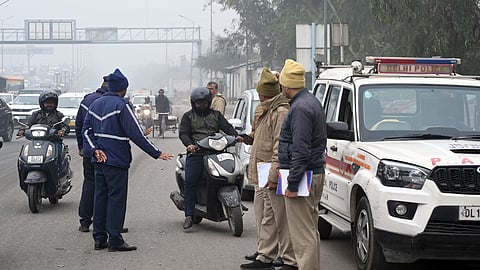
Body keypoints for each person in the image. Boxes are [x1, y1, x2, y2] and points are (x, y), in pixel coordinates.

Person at [82, 68, 174, 252]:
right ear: (123, 89)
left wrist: (94, 150)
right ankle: (115, 239)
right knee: (116, 199)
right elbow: (136, 134)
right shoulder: (121, 105)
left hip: (99, 161)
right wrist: (156, 152)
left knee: (100, 197)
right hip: (116, 160)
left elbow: (86, 131)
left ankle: (99, 238)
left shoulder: (95, 104)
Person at [240, 68, 295, 270]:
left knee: (278, 216)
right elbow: (257, 134)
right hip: (260, 171)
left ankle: (283, 256)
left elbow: (279, 146)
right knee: (263, 215)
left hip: (271, 171)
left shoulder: (281, 111)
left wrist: (273, 175)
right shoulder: (262, 109)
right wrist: (248, 137)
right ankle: (265, 254)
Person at [278, 59, 327, 270]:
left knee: (302, 236)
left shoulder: (299, 108)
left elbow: (301, 149)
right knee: (309, 231)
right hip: (312, 173)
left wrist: (292, 184)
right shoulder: (311, 101)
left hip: (303, 176)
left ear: (287, 85)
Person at [178, 86, 241, 230]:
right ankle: (188, 214)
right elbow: (183, 133)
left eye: (204, 103)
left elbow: (227, 128)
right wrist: (189, 145)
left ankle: (235, 201)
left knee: (235, 173)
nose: (201, 105)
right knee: (191, 181)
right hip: (197, 153)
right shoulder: (188, 116)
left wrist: (236, 135)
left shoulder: (216, 115)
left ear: (209, 102)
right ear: (193, 103)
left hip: (216, 152)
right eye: (198, 103)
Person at [17, 90, 70, 175]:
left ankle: (58, 174)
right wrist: (22, 130)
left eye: (51, 102)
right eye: (47, 102)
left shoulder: (58, 115)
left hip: (53, 141)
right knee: (23, 157)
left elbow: (65, 125)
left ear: (55, 103)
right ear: (42, 103)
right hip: (36, 141)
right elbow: (27, 124)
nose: (49, 104)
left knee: (58, 156)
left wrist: (62, 130)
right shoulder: (35, 114)